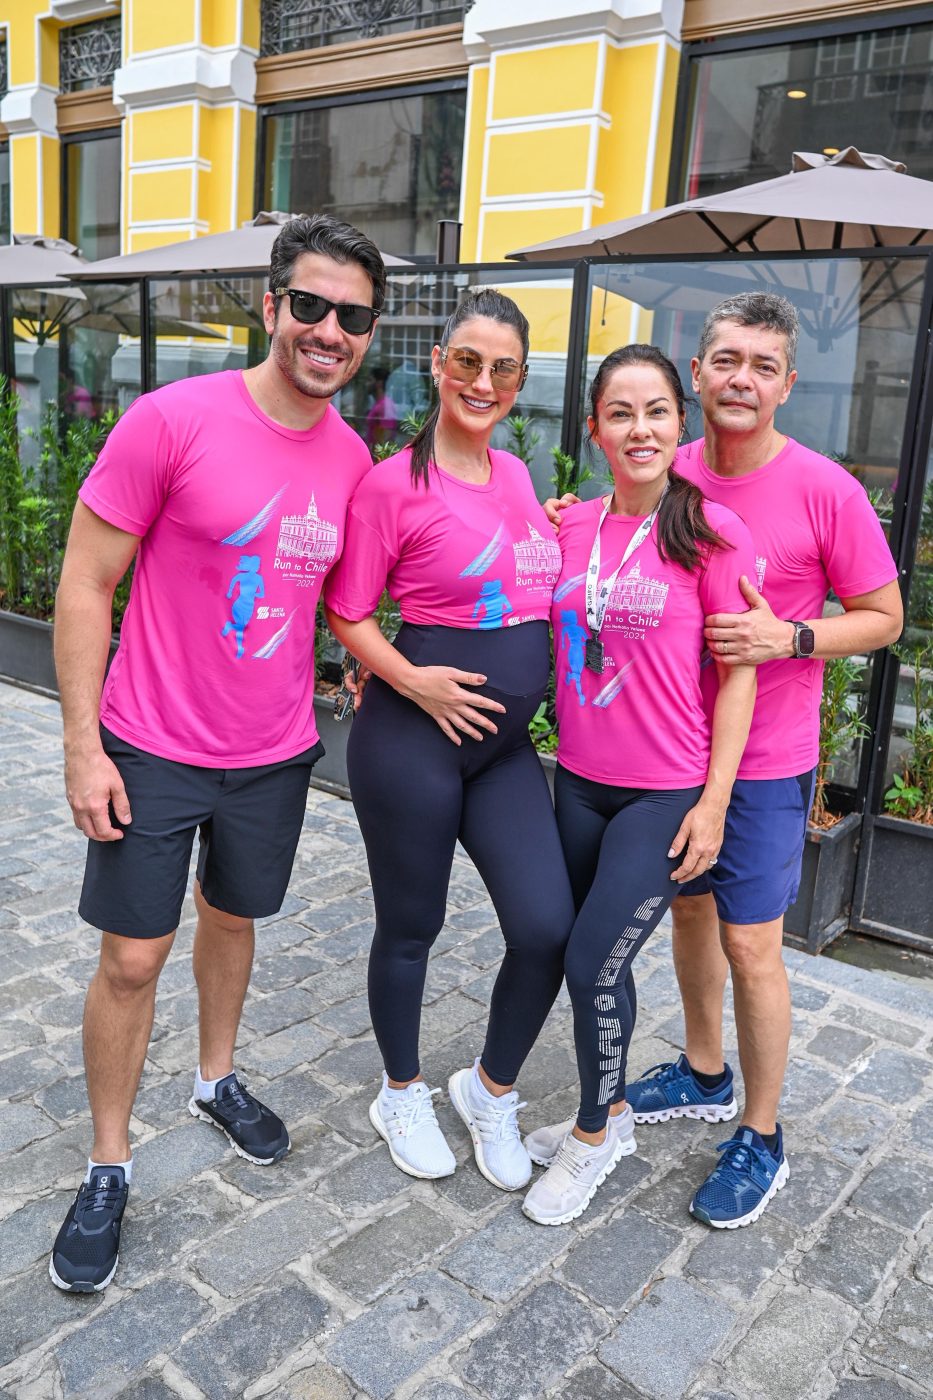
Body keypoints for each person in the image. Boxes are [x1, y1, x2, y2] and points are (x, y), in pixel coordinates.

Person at [49, 213, 385, 1292]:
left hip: (276, 752)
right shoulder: (172, 420)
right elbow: (84, 582)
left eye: (354, 316)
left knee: (234, 920)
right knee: (133, 957)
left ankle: (215, 1077)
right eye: (314, 305)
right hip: (151, 745)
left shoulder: (351, 456)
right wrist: (81, 744)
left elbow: (348, 594)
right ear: (273, 303)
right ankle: (108, 1161)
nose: (330, 329)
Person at [546, 294, 902, 1229]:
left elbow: (884, 617)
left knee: (752, 943)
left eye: (763, 364)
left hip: (765, 761)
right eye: (725, 360)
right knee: (689, 922)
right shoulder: (666, 462)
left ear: (786, 383)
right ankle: (703, 1071)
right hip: (663, 758)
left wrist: (787, 635)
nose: (741, 378)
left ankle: (761, 1130)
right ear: (695, 374)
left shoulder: (824, 488)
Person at [324, 289, 575, 1191]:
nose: (483, 381)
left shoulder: (514, 477)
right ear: (438, 364)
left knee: (546, 926)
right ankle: (400, 1091)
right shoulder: (390, 485)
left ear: (518, 380)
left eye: (502, 367)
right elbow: (347, 612)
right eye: (466, 360)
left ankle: (490, 1092)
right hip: (411, 738)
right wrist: (413, 680)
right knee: (411, 926)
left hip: (504, 751)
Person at [520, 345, 758, 1225]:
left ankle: (591, 1136)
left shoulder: (710, 533)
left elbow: (739, 675)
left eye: (656, 410)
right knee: (595, 960)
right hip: (576, 781)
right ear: (594, 429)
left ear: (679, 423)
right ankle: (611, 1110)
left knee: (591, 959)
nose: (639, 429)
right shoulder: (572, 524)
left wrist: (713, 801)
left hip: (661, 791)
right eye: (619, 413)